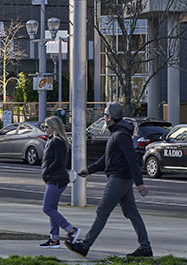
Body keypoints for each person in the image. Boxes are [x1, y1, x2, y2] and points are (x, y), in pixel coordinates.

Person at [64, 102, 152, 259]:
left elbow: (132, 159)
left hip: (119, 178)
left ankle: (85, 246)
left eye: (105, 114)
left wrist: (140, 183)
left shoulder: (120, 135)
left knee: (102, 211)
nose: (103, 117)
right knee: (132, 213)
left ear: (110, 117)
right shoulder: (117, 133)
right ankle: (145, 248)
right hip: (122, 178)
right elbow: (107, 159)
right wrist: (89, 170)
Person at [38, 115, 78, 248]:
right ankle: (54, 239)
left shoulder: (57, 141)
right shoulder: (54, 140)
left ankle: (71, 230)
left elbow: (59, 161)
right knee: (52, 208)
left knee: (47, 208)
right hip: (54, 178)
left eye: (47, 126)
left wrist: (48, 171)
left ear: (54, 127)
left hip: (56, 179)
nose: (45, 129)